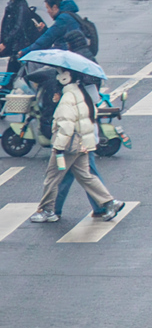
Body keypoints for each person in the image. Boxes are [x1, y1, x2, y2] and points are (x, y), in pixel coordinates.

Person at [27, 67, 122, 225]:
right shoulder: (81, 93)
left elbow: (66, 127)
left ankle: (47, 210)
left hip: (68, 146)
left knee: (52, 178)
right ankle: (109, 202)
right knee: (86, 176)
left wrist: (58, 147)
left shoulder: (68, 98)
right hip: (82, 144)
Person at [0, 0, 45, 73]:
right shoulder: (12, 4)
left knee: (14, 70)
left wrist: (5, 42)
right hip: (12, 43)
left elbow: (18, 28)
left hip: (17, 45)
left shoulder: (21, 7)